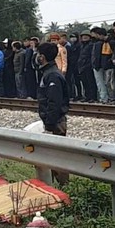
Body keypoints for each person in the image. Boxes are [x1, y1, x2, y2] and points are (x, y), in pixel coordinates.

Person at [37, 42, 70, 185]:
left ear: (42, 57)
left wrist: (49, 124)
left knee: (58, 158)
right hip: (52, 121)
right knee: (51, 157)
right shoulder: (48, 73)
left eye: (38, 54)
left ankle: (65, 188)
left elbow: (54, 103)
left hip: (55, 122)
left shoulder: (52, 76)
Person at [77, 30, 97, 102]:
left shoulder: (91, 45)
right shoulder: (81, 46)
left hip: (88, 66)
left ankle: (93, 97)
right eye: (83, 36)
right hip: (82, 66)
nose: (84, 38)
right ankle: (87, 96)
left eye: (86, 36)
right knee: (85, 82)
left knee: (90, 82)